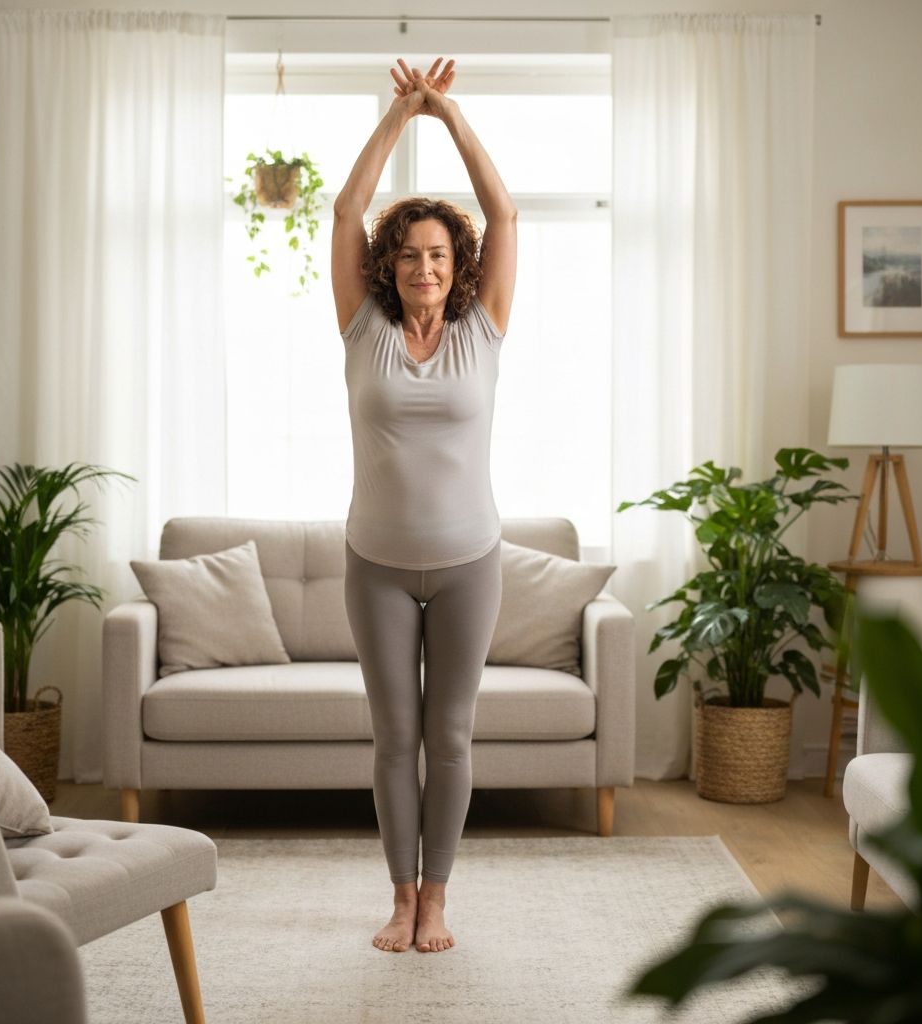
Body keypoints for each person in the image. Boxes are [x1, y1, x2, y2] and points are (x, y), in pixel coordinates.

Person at [332, 57, 517, 954]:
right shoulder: (361, 326)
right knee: (392, 736)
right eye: (407, 253)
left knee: (449, 736)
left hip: (469, 559)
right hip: (375, 561)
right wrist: (396, 120)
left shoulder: (484, 327)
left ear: (458, 263)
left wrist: (447, 114)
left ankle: (437, 899)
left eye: (439, 253)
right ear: (388, 263)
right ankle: (398, 898)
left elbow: (506, 210)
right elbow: (341, 212)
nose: (423, 266)